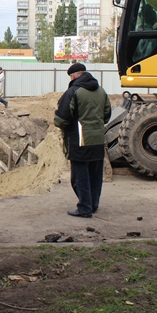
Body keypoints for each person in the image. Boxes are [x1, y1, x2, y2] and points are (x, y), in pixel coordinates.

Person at [54, 63, 111, 218]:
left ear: (74, 76)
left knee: (80, 176)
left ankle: (84, 208)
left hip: (80, 140)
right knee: (95, 174)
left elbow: (61, 118)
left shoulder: (73, 92)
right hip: (98, 139)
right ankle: (93, 204)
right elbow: (107, 115)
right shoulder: (101, 91)